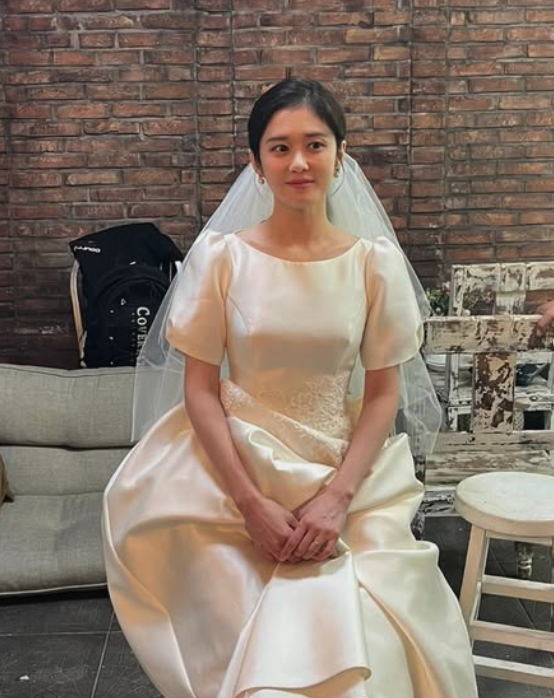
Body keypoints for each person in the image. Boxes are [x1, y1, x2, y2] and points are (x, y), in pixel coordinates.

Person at [102, 78, 478, 698]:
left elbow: (383, 393)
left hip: (342, 475)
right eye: (279, 148)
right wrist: (251, 505)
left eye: (315, 144)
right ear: (255, 162)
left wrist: (337, 500)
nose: (298, 162)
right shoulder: (222, 259)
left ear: (341, 154)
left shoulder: (372, 263)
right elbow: (200, 389)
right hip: (237, 475)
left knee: (379, 633)